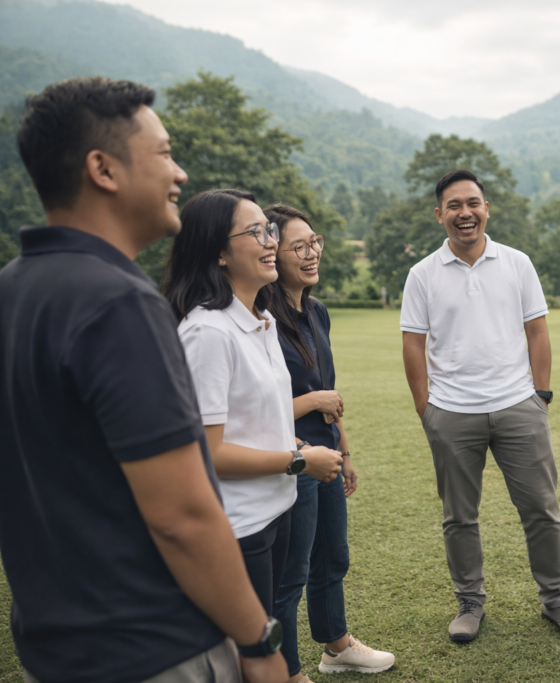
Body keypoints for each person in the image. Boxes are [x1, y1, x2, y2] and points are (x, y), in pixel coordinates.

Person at [0, 77, 287, 683]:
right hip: (151, 645)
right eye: (163, 153)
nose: (179, 173)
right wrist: (258, 640)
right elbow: (181, 513)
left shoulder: (13, 290)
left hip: (55, 645)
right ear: (103, 169)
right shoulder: (117, 303)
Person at [400, 170, 560, 643]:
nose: (464, 213)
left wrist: (540, 397)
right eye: (454, 205)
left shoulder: (517, 263)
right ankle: (470, 603)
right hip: (451, 413)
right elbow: (412, 344)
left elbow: (538, 331)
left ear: (487, 208)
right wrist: (428, 410)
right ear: (439, 213)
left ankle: (557, 601)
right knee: (459, 517)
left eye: (473, 203)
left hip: (518, 405)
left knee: (542, 510)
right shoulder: (422, 273)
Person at [162, 189, 345, 620]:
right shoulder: (208, 333)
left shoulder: (259, 321)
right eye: (255, 232)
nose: (269, 242)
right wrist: (300, 460)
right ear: (219, 253)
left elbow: (264, 419)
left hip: (274, 510)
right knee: (249, 645)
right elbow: (207, 452)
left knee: (267, 629)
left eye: (270, 230)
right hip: (239, 526)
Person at [263, 203, 395, 680]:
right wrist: (312, 399)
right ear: (271, 253)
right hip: (291, 459)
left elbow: (332, 397)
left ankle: (336, 646)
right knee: (290, 573)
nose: (311, 252)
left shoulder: (317, 312)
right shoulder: (263, 319)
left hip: (328, 455)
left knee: (331, 557)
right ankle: (286, 669)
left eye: (314, 241)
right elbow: (254, 412)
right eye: (298, 247)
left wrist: (346, 451)